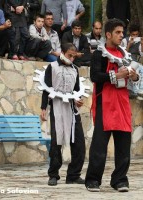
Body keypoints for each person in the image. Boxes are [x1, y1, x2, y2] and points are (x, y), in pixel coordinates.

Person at [85, 18, 139, 192]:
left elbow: (131, 77)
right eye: (117, 32)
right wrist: (116, 75)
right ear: (108, 34)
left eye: (122, 32)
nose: (121, 35)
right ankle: (93, 180)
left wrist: (133, 76)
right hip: (105, 102)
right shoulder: (99, 54)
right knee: (99, 146)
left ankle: (120, 180)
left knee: (124, 144)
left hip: (122, 102)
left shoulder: (125, 54)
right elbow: (95, 76)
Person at [41, 43, 86, 186]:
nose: (72, 59)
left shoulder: (75, 70)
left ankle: (73, 174)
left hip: (72, 109)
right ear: (63, 53)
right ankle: (53, 174)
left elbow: (77, 91)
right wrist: (43, 107)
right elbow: (46, 88)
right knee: (56, 141)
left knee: (79, 143)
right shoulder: (52, 67)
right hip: (57, 106)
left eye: (74, 56)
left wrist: (79, 101)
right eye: (69, 55)